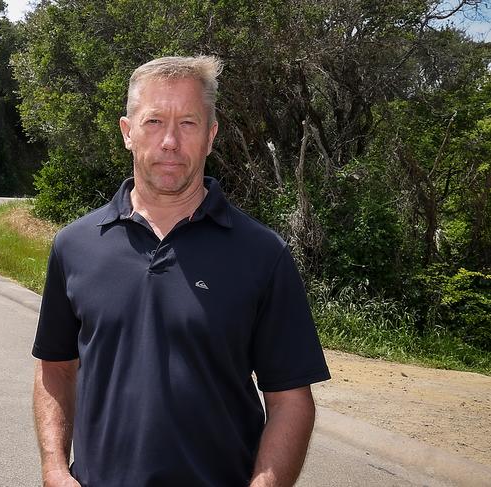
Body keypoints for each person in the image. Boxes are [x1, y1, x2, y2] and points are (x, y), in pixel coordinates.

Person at [32, 55, 330, 487]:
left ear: (211, 136)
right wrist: (55, 470)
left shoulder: (263, 254)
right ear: (127, 132)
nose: (170, 140)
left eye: (188, 123)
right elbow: (55, 369)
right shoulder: (74, 246)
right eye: (153, 121)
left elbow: (290, 400)